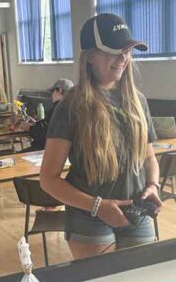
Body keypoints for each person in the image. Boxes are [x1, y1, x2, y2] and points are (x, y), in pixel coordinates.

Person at [39, 14, 163, 259]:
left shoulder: (138, 101)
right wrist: (97, 206)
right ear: (90, 57)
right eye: (113, 52)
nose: (123, 58)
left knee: (142, 276)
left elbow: (149, 158)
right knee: (102, 281)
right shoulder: (71, 106)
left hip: (136, 210)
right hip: (89, 217)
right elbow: (48, 179)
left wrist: (153, 185)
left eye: (127, 51)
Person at [27, 78, 74, 151]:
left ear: (59, 90)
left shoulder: (59, 108)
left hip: (50, 150)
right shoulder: (74, 107)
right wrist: (36, 124)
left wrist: (30, 128)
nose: (51, 95)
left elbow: (46, 133)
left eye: (52, 92)